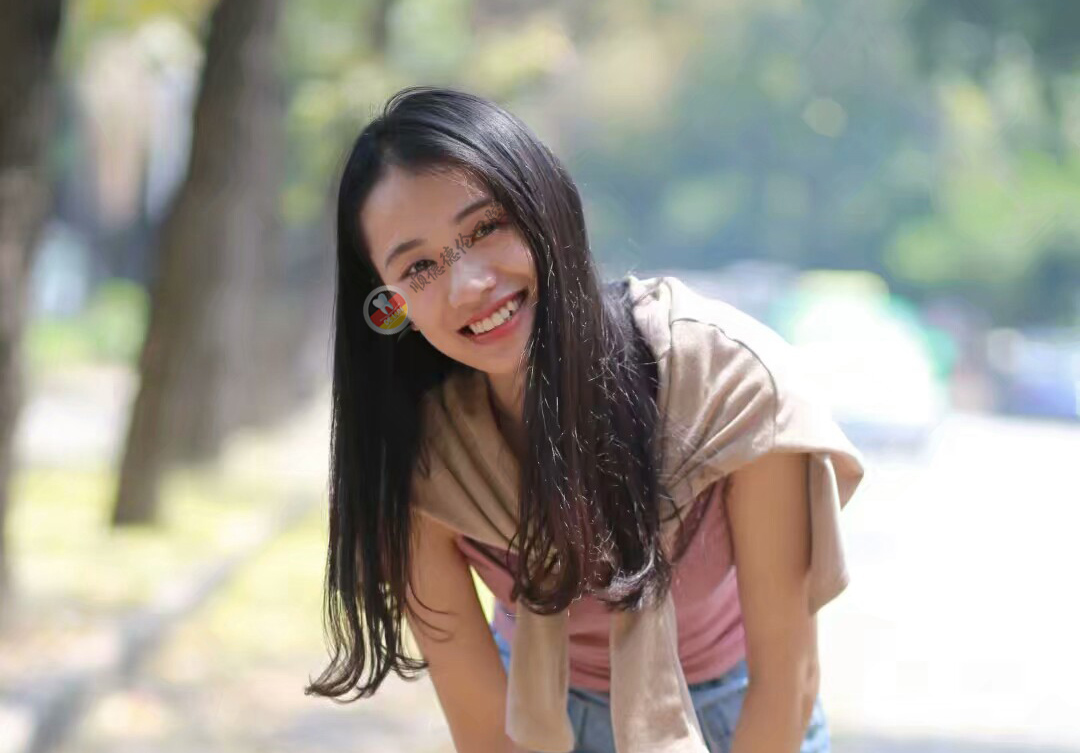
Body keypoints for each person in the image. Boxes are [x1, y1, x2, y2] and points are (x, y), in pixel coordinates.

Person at [304, 85, 866, 753]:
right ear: (389, 307)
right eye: (419, 267)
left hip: (738, 715)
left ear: (545, 206)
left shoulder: (728, 387)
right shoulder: (420, 457)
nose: (469, 284)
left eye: (484, 228)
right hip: (537, 717)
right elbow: (485, 735)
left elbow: (787, 684)